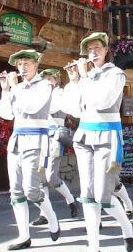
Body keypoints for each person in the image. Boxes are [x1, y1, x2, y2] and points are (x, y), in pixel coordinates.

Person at [62, 32, 133, 252]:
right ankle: (94, 246)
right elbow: (72, 109)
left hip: (107, 136)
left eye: (97, 48)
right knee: (87, 194)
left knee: (103, 195)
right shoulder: (86, 76)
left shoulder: (116, 74)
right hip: (84, 135)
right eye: (89, 50)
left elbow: (102, 101)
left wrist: (84, 78)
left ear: (106, 50)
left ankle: (126, 227)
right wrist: (74, 82)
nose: (92, 53)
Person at [0, 50, 60, 250]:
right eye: (20, 64)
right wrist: (6, 91)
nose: (22, 67)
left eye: (26, 63)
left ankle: (52, 218)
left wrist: (15, 87)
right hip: (17, 140)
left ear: (36, 65)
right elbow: (4, 113)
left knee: (32, 190)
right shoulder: (18, 87)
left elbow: (31, 106)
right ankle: (24, 236)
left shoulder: (45, 86)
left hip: (36, 140)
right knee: (16, 191)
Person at [30, 68, 78, 226]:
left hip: (55, 136)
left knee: (51, 176)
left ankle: (71, 200)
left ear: (56, 80)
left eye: (51, 78)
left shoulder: (59, 93)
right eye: (45, 79)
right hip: (40, 136)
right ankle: (44, 213)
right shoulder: (41, 94)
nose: (48, 81)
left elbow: (52, 107)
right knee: (41, 176)